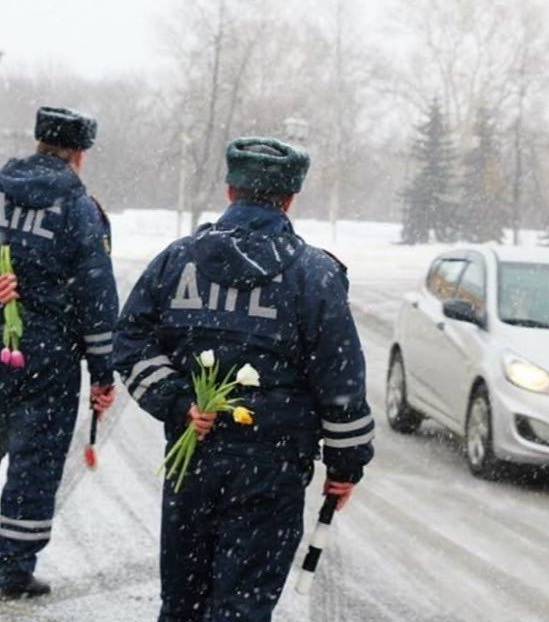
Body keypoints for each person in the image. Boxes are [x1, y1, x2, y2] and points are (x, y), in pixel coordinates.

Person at [114, 137, 374, 622]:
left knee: (183, 602)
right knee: (243, 605)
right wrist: (345, 464)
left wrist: (178, 403)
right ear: (291, 198)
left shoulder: (178, 261)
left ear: (230, 191)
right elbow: (340, 384)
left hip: (194, 457)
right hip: (272, 469)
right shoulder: (314, 275)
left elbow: (130, 343)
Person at [0, 106, 118, 600]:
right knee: (35, 461)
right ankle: (13, 574)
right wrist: (102, 373)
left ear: (38, 142)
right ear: (79, 155)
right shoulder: (81, 212)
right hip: (50, 361)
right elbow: (97, 300)